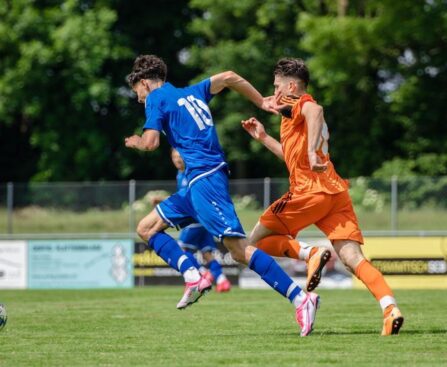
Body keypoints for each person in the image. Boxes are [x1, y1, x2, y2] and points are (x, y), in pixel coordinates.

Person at [125, 54, 319, 336]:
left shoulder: (156, 99)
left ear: (144, 83)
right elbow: (229, 76)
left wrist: (137, 142)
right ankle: (193, 275)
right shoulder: (192, 92)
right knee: (146, 228)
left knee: (239, 251)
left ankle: (301, 298)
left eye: (138, 95)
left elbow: (152, 143)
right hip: (195, 183)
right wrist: (260, 101)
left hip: (206, 179)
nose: (140, 100)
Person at [241, 57, 404, 336]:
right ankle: (390, 308)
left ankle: (310, 253)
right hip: (334, 192)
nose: (274, 92)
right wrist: (264, 138)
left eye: (277, 86)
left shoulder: (299, 103)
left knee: (246, 245)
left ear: (291, 86)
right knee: (353, 258)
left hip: (309, 191)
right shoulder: (291, 114)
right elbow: (292, 158)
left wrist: (311, 151)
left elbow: (316, 111)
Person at [171, 148, 232, 292]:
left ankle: (204, 273)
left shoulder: (191, 172)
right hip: (204, 221)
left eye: (180, 156)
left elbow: (190, 198)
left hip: (194, 220)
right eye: (174, 157)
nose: (177, 160)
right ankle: (222, 281)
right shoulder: (179, 174)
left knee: (181, 250)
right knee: (207, 254)